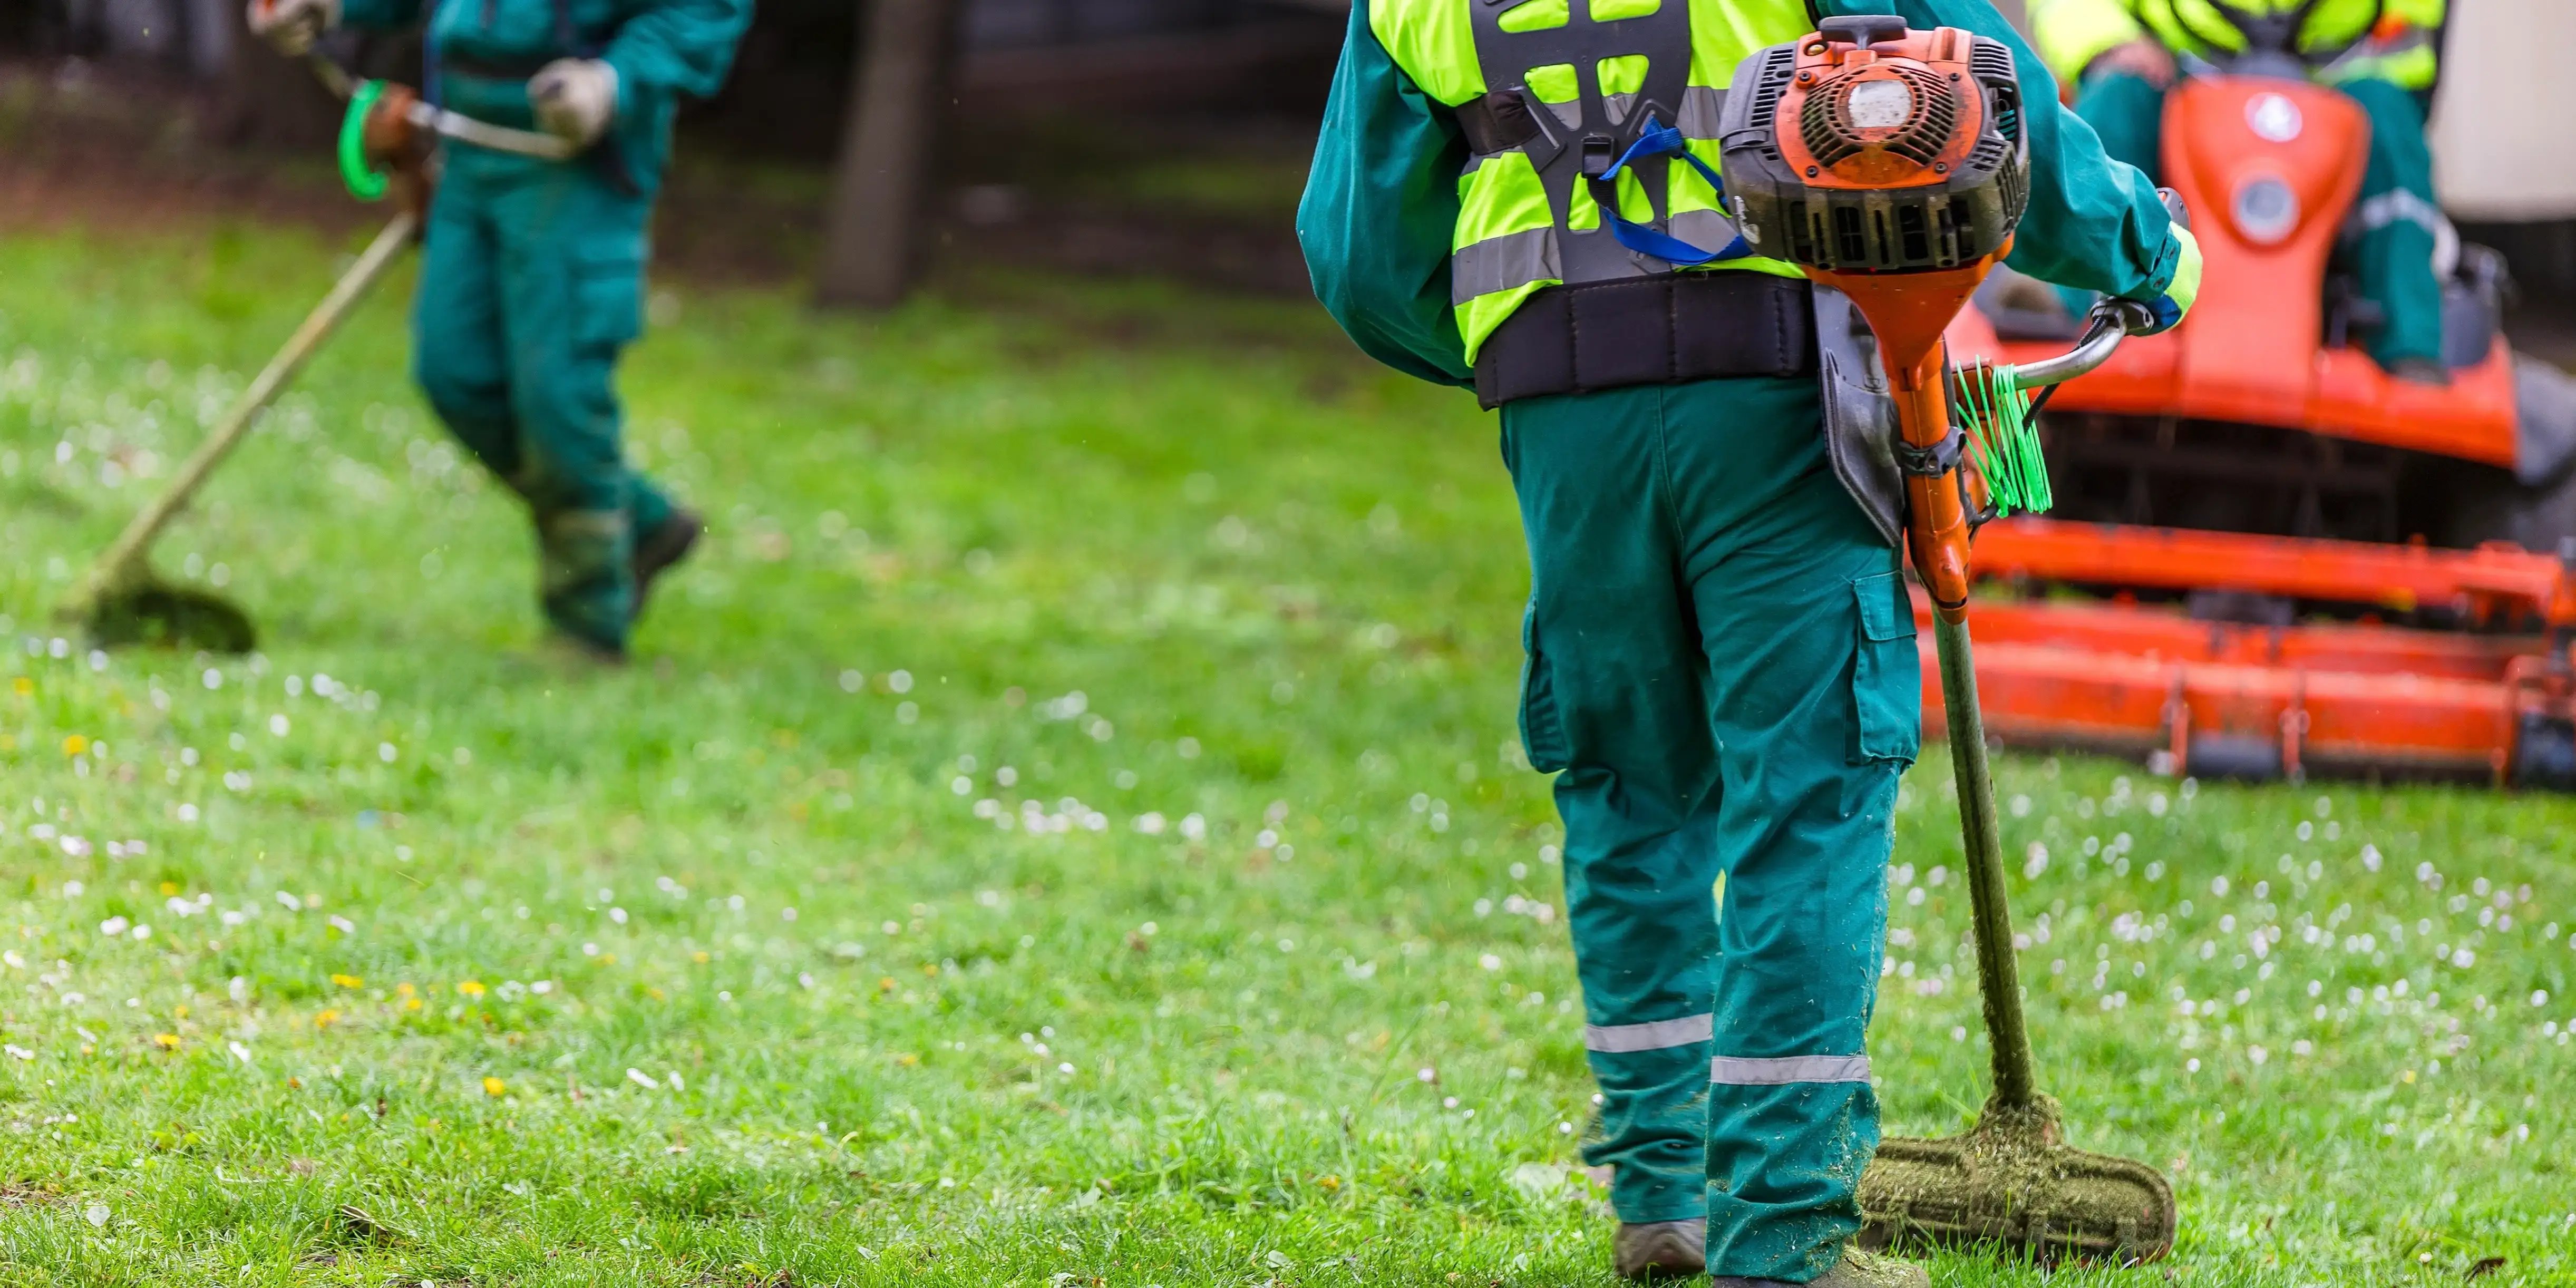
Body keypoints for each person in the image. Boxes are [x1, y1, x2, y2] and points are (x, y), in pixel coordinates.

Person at [1299, 0, 2198, 1283]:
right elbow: (1991, 104)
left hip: (1561, 411)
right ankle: (1780, 1232)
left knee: (1624, 780)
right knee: (1807, 788)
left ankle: (1664, 1195)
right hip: (1773, 398)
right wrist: (2147, 248)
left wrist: (1528, 357)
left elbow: (1357, 257)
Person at [247, 0, 752, 660]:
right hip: (468, 154)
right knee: (453, 373)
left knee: (558, 400)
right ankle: (643, 523)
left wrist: (613, 82)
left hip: (577, 167)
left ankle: (585, 624)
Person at [2031, 0, 2451, 383]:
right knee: (2115, 103)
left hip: (2335, 75)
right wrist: (2110, 45)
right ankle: (2064, 316)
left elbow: (2411, 27)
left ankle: (2409, 348)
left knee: (2389, 121)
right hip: (2173, 65)